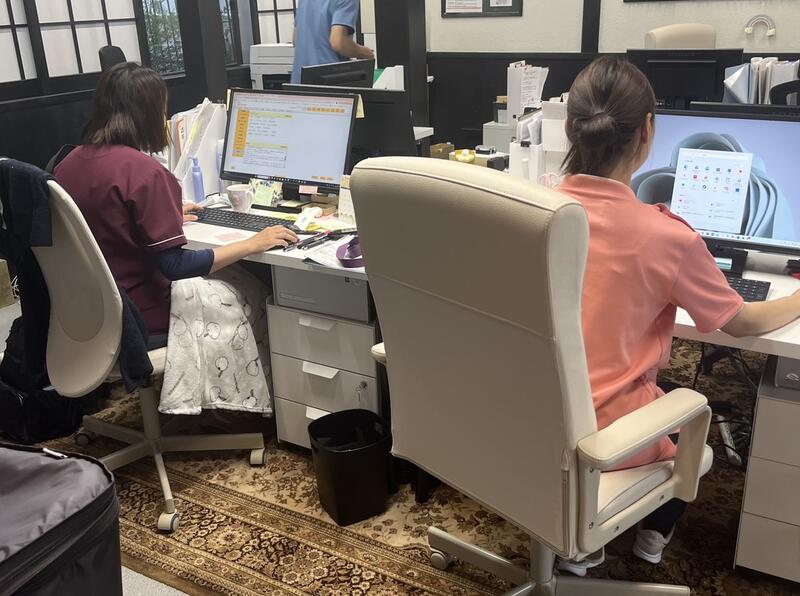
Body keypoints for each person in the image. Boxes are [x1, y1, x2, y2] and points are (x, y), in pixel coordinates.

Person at [555, 56, 800, 573]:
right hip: (601, 438)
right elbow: (742, 323)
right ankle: (648, 540)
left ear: (570, 128)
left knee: (656, 393)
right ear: (648, 132)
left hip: (525, 412)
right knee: (690, 415)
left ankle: (581, 536)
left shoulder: (531, 209)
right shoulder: (668, 237)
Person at [55, 63, 297, 344]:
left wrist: (162, 212)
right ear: (148, 114)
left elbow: (103, 218)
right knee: (252, 292)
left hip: (87, 312)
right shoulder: (145, 173)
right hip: (143, 314)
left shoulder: (67, 164)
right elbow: (176, 266)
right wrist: (253, 243)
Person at [291, 0, 374, 84]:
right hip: (327, 80)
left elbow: (295, 39)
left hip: (298, 81)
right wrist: (365, 53)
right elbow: (339, 43)